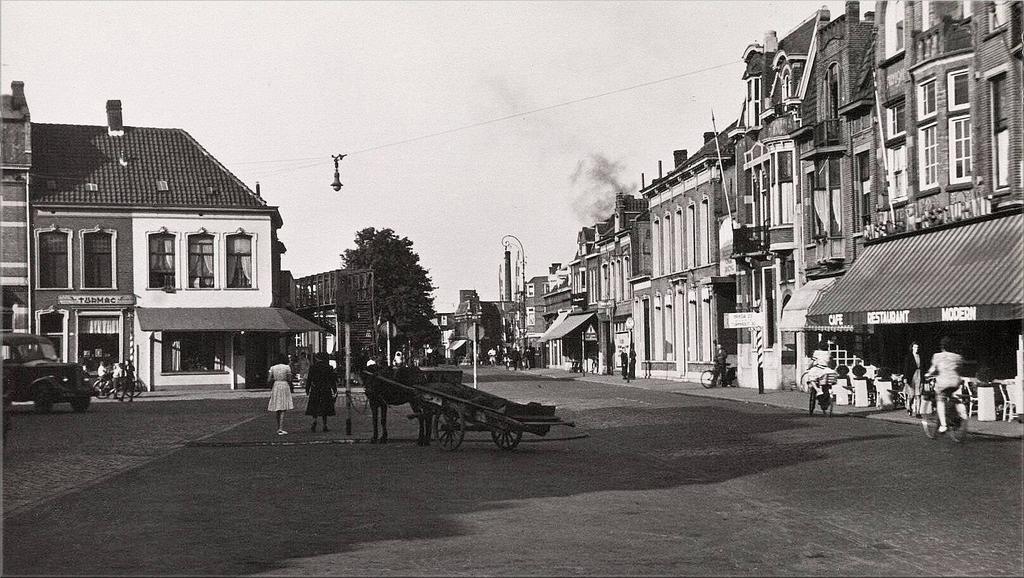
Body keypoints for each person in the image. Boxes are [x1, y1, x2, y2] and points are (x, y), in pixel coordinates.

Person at [925, 336, 966, 433]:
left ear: (942, 347)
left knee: (940, 399)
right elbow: (960, 368)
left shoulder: (937, 356)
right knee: (951, 395)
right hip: (955, 381)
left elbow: (933, 369)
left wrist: (928, 375)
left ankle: (943, 425)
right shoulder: (957, 357)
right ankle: (959, 413)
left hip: (943, 382)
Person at [305, 352, 337, 432]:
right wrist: (334, 389)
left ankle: (314, 420)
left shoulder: (313, 367)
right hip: (326, 389)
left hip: (315, 388)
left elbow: (309, 379)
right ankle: (324, 424)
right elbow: (332, 380)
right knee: (325, 407)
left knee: (315, 406)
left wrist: (307, 389)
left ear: (317, 358)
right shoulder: (329, 367)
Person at [267, 355, 294, 435]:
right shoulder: (287, 367)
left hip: (276, 386)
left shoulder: (272, 368)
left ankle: (278, 427)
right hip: (284, 385)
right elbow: (289, 379)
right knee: (283, 407)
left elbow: (269, 379)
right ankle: (281, 428)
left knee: (277, 407)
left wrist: (275, 378)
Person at [902, 341, 924, 417]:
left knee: (918, 395)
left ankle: (918, 412)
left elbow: (923, 367)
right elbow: (906, 368)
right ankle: (909, 407)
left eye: (917, 347)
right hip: (911, 377)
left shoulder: (920, 356)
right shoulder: (909, 356)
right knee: (911, 395)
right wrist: (905, 377)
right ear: (912, 348)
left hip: (919, 376)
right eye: (915, 347)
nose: (916, 349)